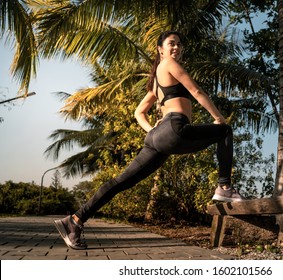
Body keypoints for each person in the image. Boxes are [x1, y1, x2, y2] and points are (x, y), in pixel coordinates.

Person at [54, 30, 243, 250]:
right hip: (174, 128)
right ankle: (224, 186)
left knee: (121, 182)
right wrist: (217, 117)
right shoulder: (169, 64)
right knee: (225, 131)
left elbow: (139, 112)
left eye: (179, 45)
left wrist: (150, 129)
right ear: (160, 49)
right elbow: (196, 90)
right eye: (172, 44)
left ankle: (75, 220)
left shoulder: (156, 81)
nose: (177, 48)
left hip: (157, 137)